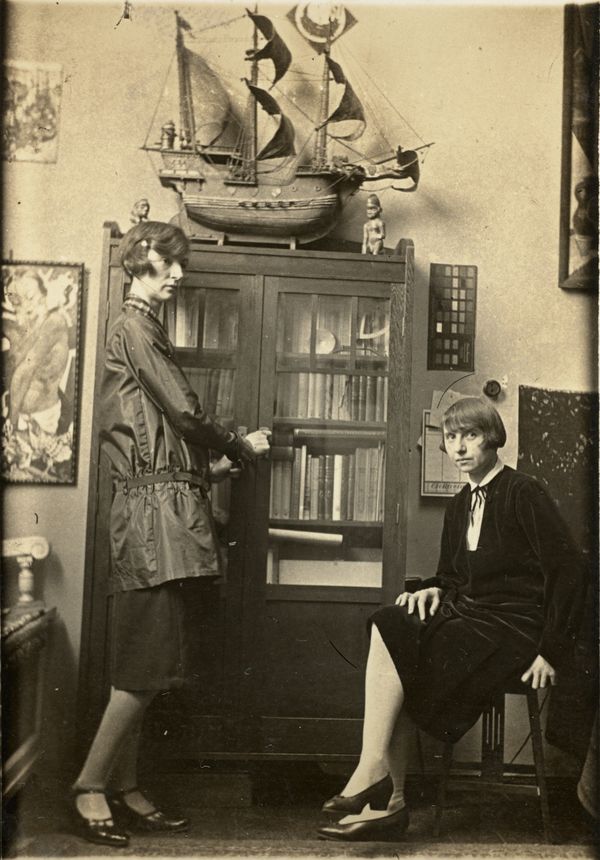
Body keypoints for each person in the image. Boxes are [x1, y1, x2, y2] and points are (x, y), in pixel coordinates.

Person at [71, 221, 271, 847]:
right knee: (141, 668)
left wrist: (210, 465)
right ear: (139, 260)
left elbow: (163, 441)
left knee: (149, 666)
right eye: (170, 262)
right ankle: (88, 787)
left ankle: (125, 787)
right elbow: (184, 411)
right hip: (152, 523)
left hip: (164, 515)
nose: (179, 275)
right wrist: (238, 444)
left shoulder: (142, 329)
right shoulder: (133, 326)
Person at [318, 397, 587, 841]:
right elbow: (454, 575)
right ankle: (385, 793)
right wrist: (433, 587)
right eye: (451, 437)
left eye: (471, 435)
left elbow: (569, 570)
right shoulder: (460, 503)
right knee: (394, 622)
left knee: (405, 651)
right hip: (476, 619)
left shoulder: (524, 492)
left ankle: (383, 789)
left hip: (517, 628)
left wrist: (551, 650)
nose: (459, 447)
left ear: (492, 439)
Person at [4, 270, 70, 435]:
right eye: (17, 302)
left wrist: (10, 422)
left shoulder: (55, 322)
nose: (27, 305)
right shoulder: (19, 328)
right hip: (15, 415)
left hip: (43, 420)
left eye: (31, 297)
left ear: (44, 293)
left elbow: (25, 371)